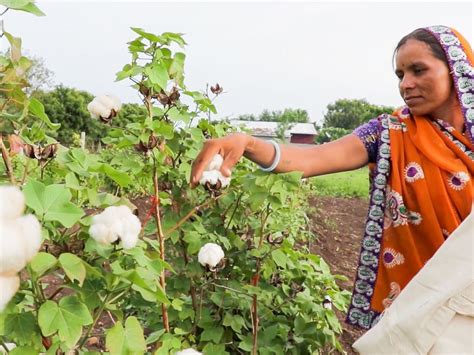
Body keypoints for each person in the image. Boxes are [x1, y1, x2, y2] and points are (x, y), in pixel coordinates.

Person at [190, 25, 474, 330]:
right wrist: (248, 143)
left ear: (456, 70)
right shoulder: (390, 133)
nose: (406, 84)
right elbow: (314, 157)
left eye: (418, 70)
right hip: (423, 312)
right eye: (400, 75)